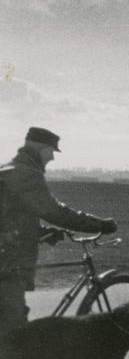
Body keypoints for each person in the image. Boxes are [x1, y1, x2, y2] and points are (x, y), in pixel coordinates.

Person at [0, 127, 117, 343]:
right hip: (8, 262)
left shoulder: (9, 168)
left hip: (8, 254)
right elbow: (54, 211)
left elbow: (10, 214)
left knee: (14, 323)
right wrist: (98, 224)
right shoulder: (26, 172)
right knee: (13, 335)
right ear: (40, 148)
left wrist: (41, 232)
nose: (52, 157)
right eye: (51, 151)